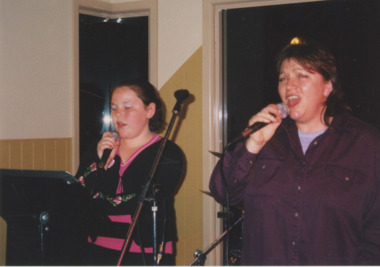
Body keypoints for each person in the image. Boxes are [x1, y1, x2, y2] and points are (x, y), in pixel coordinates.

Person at [209, 40, 380, 265]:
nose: (289, 86)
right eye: (283, 78)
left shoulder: (364, 143)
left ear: (327, 87)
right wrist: (254, 143)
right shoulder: (267, 138)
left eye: (301, 76)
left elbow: (376, 229)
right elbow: (223, 192)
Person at [75, 79, 184, 265]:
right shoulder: (99, 148)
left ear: (149, 110)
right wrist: (99, 165)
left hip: (146, 250)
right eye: (114, 108)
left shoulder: (168, 153)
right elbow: (77, 195)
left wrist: (100, 200)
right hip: (97, 247)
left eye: (127, 107)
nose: (119, 115)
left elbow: (141, 201)